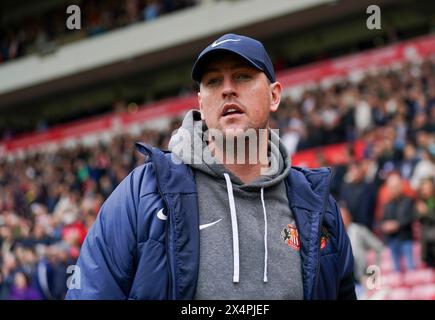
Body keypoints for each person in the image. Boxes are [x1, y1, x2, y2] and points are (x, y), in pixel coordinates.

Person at [66, 34, 356, 300]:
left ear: (274, 95)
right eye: (214, 81)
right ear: (201, 105)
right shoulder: (143, 193)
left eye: (243, 77)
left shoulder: (317, 206)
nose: (228, 89)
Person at [380, 172, 415, 272]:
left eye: (396, 186)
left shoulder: (408, 201)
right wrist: (384, 226)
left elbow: (410, 218)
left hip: (406, 238)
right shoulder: (387, 205)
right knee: (396, 269)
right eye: (391, 187)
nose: (394, 189)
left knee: (410, 267)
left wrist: (397, 225)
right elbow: (382, 221)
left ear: (401, 186)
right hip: (392, 240)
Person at [414, 178, 435, 268]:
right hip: (427, 243)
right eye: (424, 188)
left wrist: (426, 212)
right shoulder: (420, 203)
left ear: (433, 188)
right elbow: (415, 218)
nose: (426, 191)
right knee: (429, 272)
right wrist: (419, 212)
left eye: (428, 188)